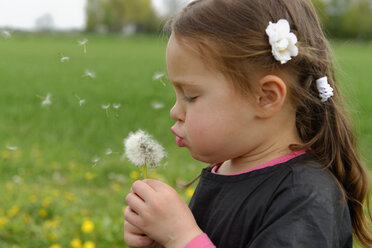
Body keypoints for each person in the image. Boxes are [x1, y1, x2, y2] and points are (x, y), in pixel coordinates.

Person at [124, 0, 372, 247]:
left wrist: (181, 237)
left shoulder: (305, 196)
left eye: (191, 96)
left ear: (266, 97)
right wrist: (161, 241)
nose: (175, 111)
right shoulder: (225, 171)